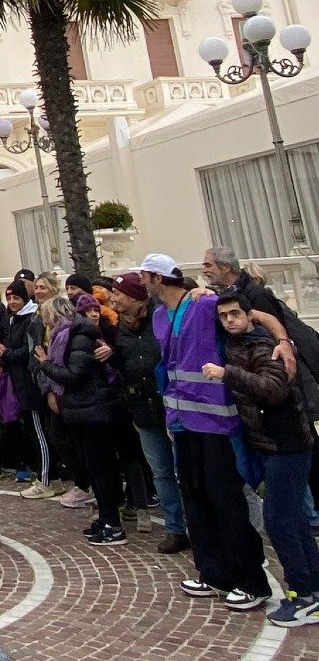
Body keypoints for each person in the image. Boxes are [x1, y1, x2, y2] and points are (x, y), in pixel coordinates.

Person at [138, 254, 272, 610]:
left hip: (215, 420)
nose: (140, 281)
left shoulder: (206, 303)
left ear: (157, 277)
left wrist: (283, 342)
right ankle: (214, 573)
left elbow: (249, 317)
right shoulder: (159, 314)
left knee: (225, 498)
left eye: (144, 275)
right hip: (182, 420)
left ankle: (251, 580)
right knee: (195, 496)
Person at [209, 289, 319, 627]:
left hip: (287, 443)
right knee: (293, 519)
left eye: (235, 315)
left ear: (248, 316)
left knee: (280, 521)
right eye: (224, 316)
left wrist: (227, 374)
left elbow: (274, 389)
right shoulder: (240, 341)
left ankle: (303, 594)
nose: (229, 321)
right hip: (272, 445)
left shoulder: (261, 345)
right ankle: (312, 587)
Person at [105, 272, 190, 553]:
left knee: (187, 471)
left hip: (173, 409)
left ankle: (198, 526)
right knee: (161, 473)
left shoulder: (162, 318)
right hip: (143, 411)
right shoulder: (119, 328)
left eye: (118, 294)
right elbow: (124, 363)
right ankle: (176, 529)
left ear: (134, 296)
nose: (113, 298)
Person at [36, 295, 128, 546]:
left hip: (93, 410)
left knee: (102, 468)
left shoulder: (78, 337)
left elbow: (75, 375)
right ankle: (105, 518)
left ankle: (113, 524)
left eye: (46, 317)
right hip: (82, 410)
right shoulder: (68, 336)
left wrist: (45, 364)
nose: (45, 323)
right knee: (94, 467)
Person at [0, 281, 49, 495]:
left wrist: (5, 353)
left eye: (16, 298)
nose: (12, 302)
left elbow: (28, 351)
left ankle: (47, 479)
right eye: (9, 298)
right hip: (18, 382)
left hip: (30, 382)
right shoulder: (12, 320)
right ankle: (44, 474)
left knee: (39, 432)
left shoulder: (31, 319)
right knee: (32, 431)